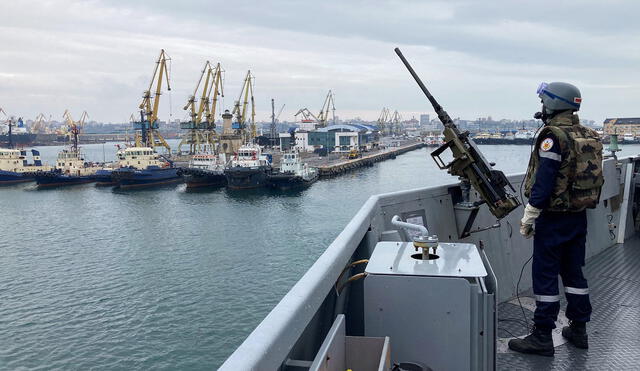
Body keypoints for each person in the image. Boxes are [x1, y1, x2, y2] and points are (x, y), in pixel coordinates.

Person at [508, 82, 603, 357]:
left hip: (554, 219)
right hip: (578, 216)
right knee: (574, 273)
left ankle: (541, 336)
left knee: (546, 275)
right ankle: (579, 329)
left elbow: (545, 179)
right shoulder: (588, 133)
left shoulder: (553, 136)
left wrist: (530, 214)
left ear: (551, 104)